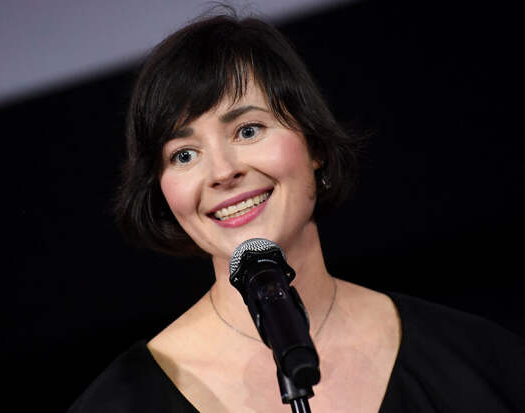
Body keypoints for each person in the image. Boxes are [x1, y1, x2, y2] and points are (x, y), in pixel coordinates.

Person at [68, 10, 525, 413]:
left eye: (248, 130)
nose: (222, 172)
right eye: (184, 155)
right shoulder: (124, 402)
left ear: (314, 146)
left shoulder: (476, 360)